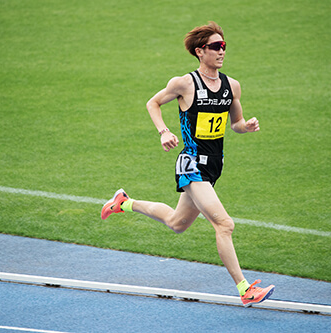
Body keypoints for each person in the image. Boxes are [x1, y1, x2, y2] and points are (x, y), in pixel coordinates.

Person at [101, 21, 274, 306]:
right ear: (199, 51)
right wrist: (164, 131)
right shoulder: (184, 83)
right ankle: (245, 289)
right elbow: (152, 103)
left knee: (177, 223)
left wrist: (248, 126)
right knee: (224, 224)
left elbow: (236, 124)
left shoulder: (232, 86)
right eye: (216, 47)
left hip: (214, 166)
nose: (222, 52)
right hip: (191, 164)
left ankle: (124, 202)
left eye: (224, 46)